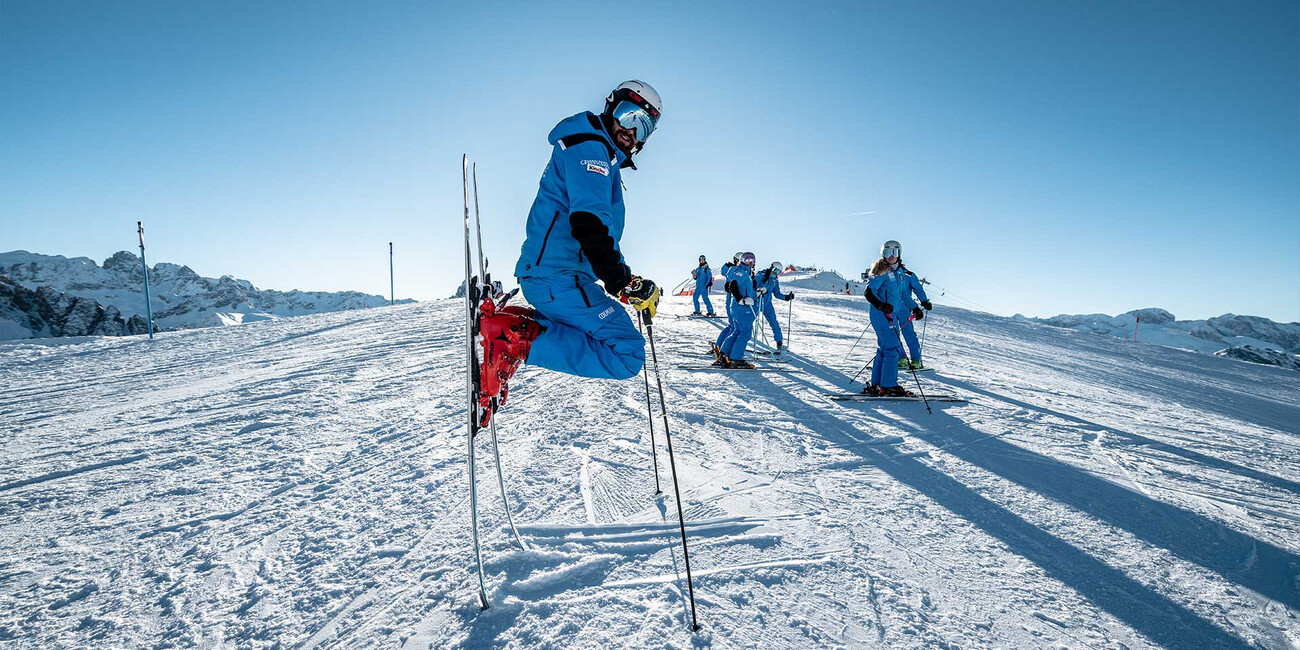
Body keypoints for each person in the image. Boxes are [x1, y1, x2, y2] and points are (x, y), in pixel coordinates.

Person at [477, 80, 664, 420]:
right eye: (628, 116)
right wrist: (620, 281)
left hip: (560, 277)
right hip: (557, 278)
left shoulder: (596, 152)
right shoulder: (591, 150)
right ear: (611, 107)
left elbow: (598, 233)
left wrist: (628, 281)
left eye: (644, 127)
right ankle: (511, 341)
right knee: (628, 353)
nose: (632, 132)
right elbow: (588, 224)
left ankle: (513, 330)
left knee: (600, 334)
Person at [861, 240, 913, 397]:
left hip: (891, 314)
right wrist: (882, 306)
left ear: (899, 255)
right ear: (882, 254)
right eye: (887, 253)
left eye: (894, 253)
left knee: (884, 348)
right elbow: (868, 292)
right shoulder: (881, 270)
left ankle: (878, 383)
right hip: (882, 314)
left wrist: (915, 307)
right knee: (892, 348)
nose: (890, 257)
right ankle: (889, 385)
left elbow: (903, 294)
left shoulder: (898, 273)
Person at [717, 252, 759, 369]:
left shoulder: (745, 272)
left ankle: (724, 353)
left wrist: (756, 293)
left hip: (738, 306)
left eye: (752, 261)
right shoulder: (740, 272)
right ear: (741, 260)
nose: (750, 263)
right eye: (747, 260)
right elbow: (733, 285)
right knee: (745, 332)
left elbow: (744, 288)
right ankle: (736, 358)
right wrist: (741, 300)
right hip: (740, 307)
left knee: (737, 331)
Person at [894, 248, 933, 370]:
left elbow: (918, 289)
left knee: (909, 334)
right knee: (894, 334)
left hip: (905, 309)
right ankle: (901, 358)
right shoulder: (888, 274)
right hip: (891, 309)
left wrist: (924, 301)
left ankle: (916, 360)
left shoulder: (908, 275)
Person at [754, 261, 794, 352]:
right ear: (771, 267)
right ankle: (741, 341)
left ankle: (779, 341)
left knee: (774, 322)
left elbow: (777, 294)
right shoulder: (761, 275)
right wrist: (762, 283)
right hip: (757, 302)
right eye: (775, 270)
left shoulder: (775, 281)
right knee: (749, 321)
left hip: (767, 304)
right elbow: (753, 286)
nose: (775, 273)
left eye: (778, 272)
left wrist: (787, 297)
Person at [711, 252, 744, 358]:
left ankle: (721, 347)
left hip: (736, 301)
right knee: (734, 326)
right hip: (732, 301)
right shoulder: (731, 270)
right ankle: (722, 348)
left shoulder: (740, 271)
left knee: (733, 326)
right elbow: (724, 270)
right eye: (739, 261)